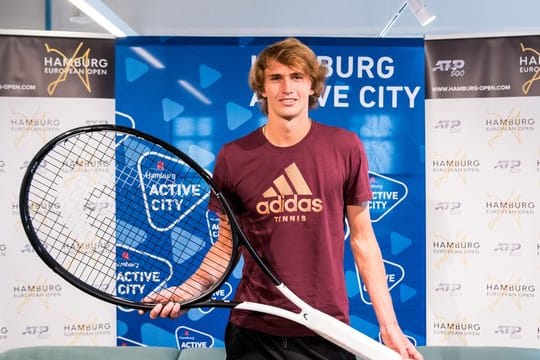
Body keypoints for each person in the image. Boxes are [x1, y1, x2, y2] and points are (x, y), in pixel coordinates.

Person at [142, 37, 423, 360]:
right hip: (254, 332)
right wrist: (187, 291)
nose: (287, 87)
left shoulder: (345, 147)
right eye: (276, 78)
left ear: (313, 87)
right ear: (261, 88)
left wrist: (389, 327)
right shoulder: (234, 157)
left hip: (327, 330)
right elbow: (225, 247)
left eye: (297, 77)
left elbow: (363, 241)